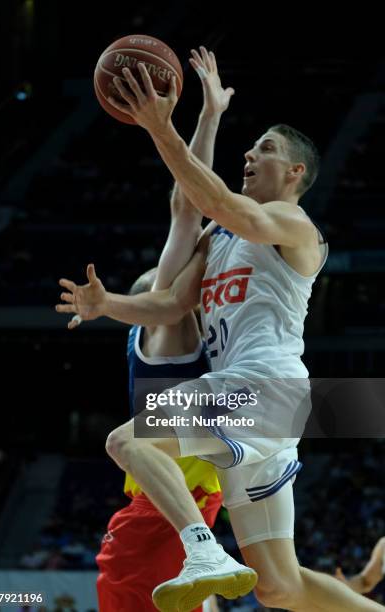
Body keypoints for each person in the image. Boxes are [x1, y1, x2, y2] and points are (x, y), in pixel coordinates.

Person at [57, 48, 385, 612]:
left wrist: (163, 130)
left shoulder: (292, 222)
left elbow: (224, 204)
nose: (251, 154)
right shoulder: (218, 238)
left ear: (295, 172)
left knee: (126, 441)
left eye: (267, 149)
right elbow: (169, 303)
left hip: (262, 387)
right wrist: (106, 303)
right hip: (268, 405)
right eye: (252, 146)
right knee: (279, 586)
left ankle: (202, 549)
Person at [60, 49, 230, 612]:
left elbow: (189, 207)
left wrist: (204, 117)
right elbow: (188, 209)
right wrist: (205, 117)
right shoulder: (157, 332)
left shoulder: (175, 325)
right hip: (174, 505)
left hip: (175, 510)